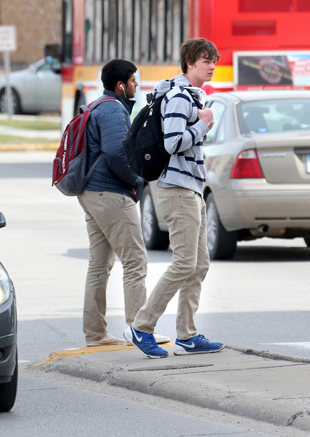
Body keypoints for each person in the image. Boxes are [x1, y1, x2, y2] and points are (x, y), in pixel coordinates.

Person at [124, 38, 224, 358]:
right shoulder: (179, 97)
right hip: (177, 188)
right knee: (183, 264)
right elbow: (172, 143)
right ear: (190, 63)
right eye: (206, 61)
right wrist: (204, 125)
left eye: (214, 60)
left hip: (192, 187)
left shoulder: (193, 95)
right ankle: (142, 326)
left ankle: (187, 334)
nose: (212, 66)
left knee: (198, 265)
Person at [77, 59, 169, 348]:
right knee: (135, 261)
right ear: (121, 85)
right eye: (133, 81)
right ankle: (139, 331)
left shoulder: (97, 105)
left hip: (91, 193)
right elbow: (118, 154)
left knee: (99, 265)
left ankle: (95, 334)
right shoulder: (113, 111)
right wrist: (137, 181)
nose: (136, 85)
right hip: (111, 194)